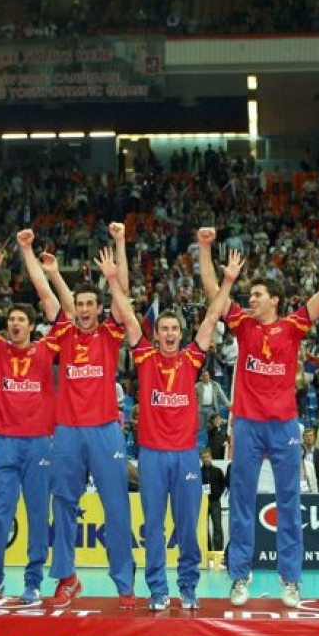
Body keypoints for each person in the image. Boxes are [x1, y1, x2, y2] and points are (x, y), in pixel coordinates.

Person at [199, 225, 319, 608]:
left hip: (283, 426)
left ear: (274, 300)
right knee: (242, 501)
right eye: (250, 294)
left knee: (289, 502)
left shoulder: (292, 327)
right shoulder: (243, 325)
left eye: (258, 294)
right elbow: (214, 294)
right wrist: (205, 248)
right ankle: (240, 576)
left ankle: (290, 580)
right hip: (246, 424)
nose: (251, 299)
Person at [117, 248, 240, 609]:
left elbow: (213, 315)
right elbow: (127, 317)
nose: (169, 333)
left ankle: (188, 587)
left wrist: (228, 281)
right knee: (153, 527)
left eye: (174, 329)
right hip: (153, 457)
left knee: (187, 526)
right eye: (164, 329)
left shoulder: (191, 358)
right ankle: (158, 590)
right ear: (156, 335)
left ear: (181, 333)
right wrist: (112, 279)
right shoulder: (144, 357)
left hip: (186, 455)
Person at [46, 222, 138, 607]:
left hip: (104, 430)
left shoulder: (110, 335)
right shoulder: (64, 335)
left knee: (116, 508)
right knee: (63, 505)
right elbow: (53, 299)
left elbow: (124, 296)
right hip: (67, 431)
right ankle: (67, 578)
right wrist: (53, 273)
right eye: (79, 305)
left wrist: (119, 244)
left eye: (90, 305)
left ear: (99, 309)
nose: (84, 310)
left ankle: (124, 584)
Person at [0, 229, 62, 605]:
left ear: (32, 326)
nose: (16, 324)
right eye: (12, 320)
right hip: (3, 444)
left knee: (38, 516)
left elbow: (50, 302)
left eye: (22, 320)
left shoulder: (46, 349)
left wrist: (27, 251)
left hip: (38, 443)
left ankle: (33, 581)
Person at [201, 447, 227, 556]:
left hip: (215, 502)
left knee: (217, 526)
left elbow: (223, 484)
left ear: (211, 457)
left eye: (207, 457)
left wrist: (218, 494)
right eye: (203, 457)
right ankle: (207, 550)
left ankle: (218, 552)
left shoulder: (217, 471)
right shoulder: (198, 472)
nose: (205, 459)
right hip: (203, 503)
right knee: (204, 527)